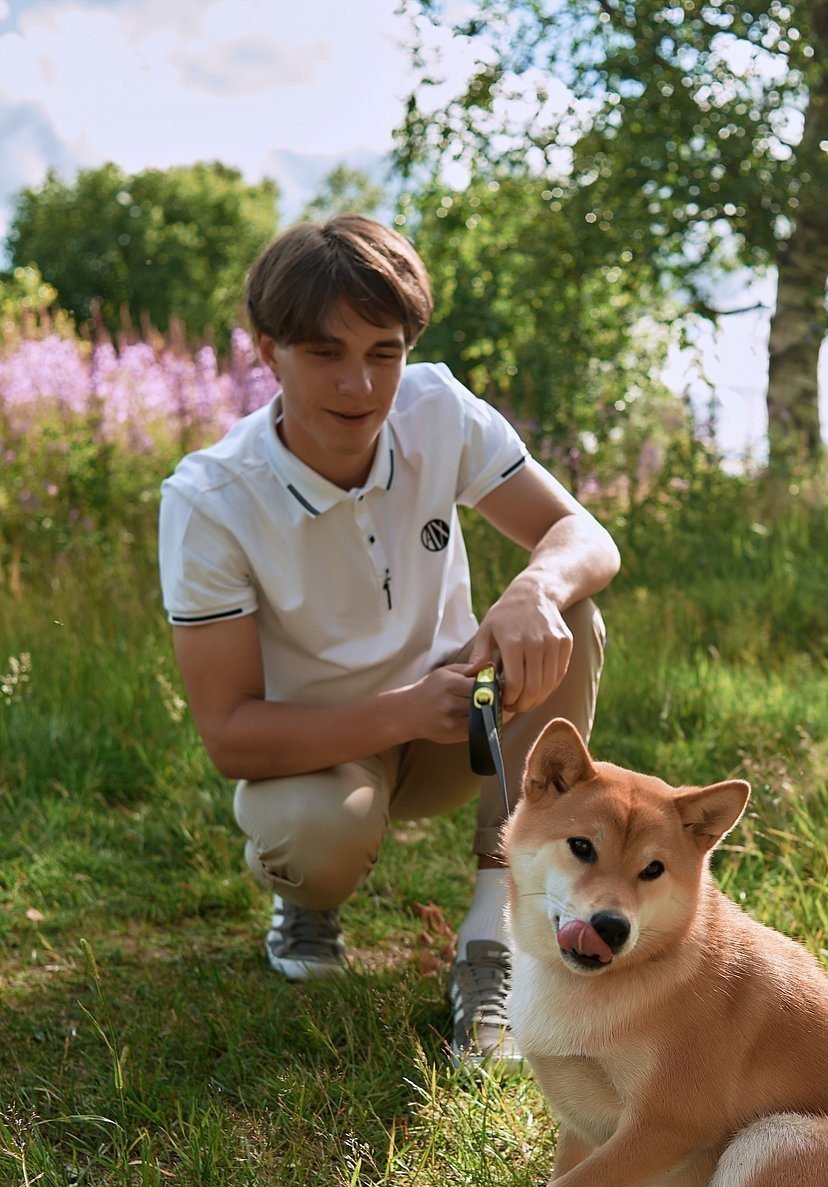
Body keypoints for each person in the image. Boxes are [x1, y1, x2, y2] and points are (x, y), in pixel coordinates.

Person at [158, 215, 620, 1066]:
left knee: (572, 613)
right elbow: (228, 734)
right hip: (320, 749)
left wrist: (533, 587)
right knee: (313, 844)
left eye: (383, 351)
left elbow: (582, 535)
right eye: (324, 353)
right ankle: (308, 904)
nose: (359, 384)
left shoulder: (436, 407)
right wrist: (407, 710)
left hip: (465, 716)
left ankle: (493, 948)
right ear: (268, 353)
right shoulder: (210, 500)